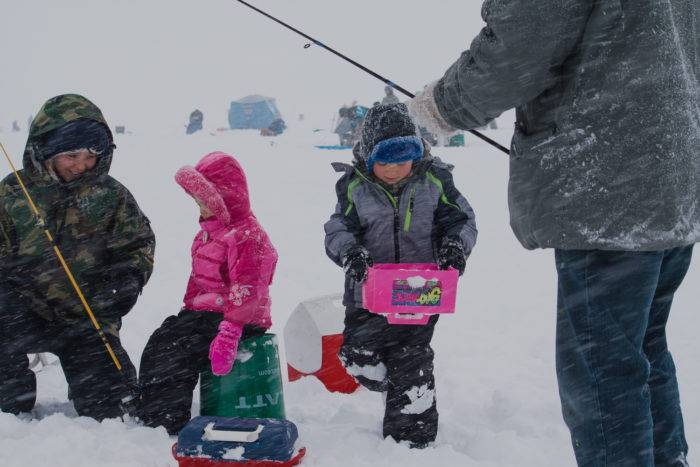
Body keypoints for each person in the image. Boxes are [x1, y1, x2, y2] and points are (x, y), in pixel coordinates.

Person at [407, 1, 699, 465]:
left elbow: (520, 46)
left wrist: (438, 108)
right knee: (641, 350)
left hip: (607, 184)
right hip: (668, 174)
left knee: (604, 370)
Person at [324, 104, 477, 448]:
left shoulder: (434, 179)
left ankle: (412, 440)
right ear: (368, 157)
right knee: (358, 355)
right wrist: (350, 252)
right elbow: (338, 228)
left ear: (416, 154)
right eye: (384, 162)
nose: (393, 170)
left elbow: (462, 220)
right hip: (366, 291)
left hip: (417, 290)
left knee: (411, 358)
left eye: (402, 161)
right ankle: (388, 376)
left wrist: (455, 246)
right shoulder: (353, 186)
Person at [0, 94, 155, 420]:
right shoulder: (12, 194)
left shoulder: (112, 195)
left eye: (91, 155)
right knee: (7, 403)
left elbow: (139, 243)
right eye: (71, 155)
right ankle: (13, 387)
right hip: (20, 314)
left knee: (108, 406)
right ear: (46, 150)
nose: (81, 164)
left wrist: (128, 279)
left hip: (87, 317)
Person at [137, 151, 278, 435]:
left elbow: (247, 289)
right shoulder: (208, 233)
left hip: (241, 319)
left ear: (225, 199)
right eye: (197, 201)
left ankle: (165, 417)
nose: (200, 207)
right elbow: (198, 280)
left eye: (205, 201)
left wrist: (229, 332)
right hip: (207, 314)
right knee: (163, 339)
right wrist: (187, 312)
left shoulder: (246, 236)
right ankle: (153, 406)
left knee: (178, 350)